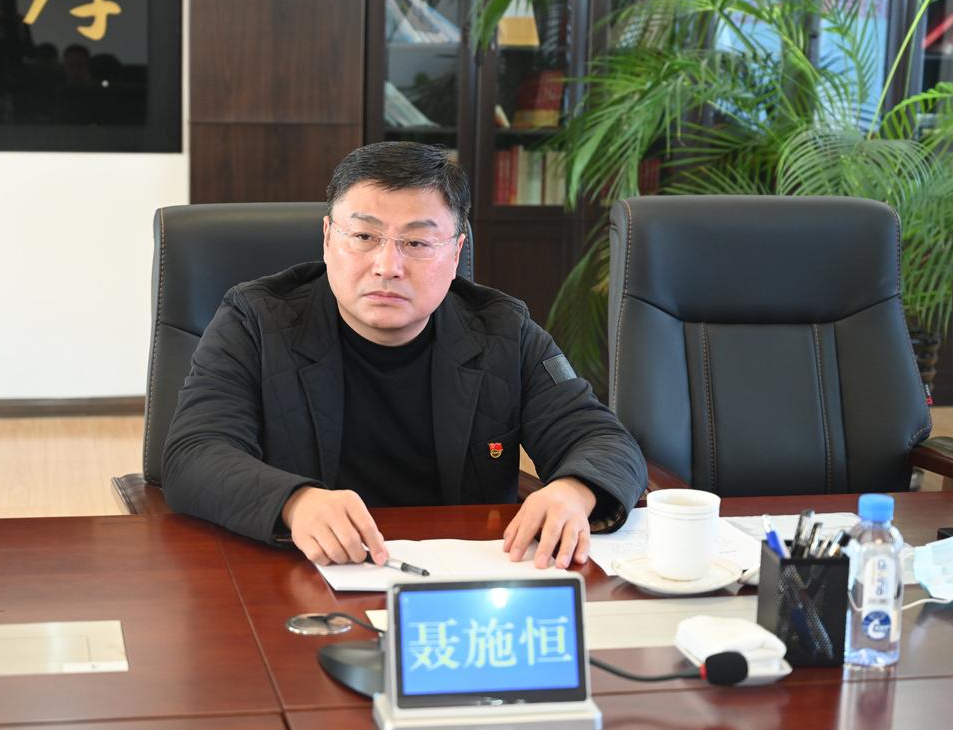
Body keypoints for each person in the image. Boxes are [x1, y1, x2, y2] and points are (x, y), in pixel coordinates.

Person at [162, 142, 647, 569]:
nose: (387, 266)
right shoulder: (256, 320)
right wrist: (295, 501)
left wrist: (573, 491)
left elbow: (603, 439)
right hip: (302, 572)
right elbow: (194, 454)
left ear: (455, 253)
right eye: (363, 237)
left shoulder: (501, 330)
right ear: (328, 238)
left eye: (416, 242)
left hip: (458, 580)